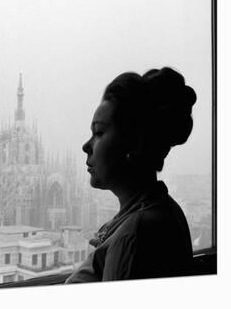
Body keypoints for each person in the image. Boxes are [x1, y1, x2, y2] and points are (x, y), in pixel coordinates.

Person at [65, 67, 197, 283]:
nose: (85, 146)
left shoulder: (134, 235)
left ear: (134, 144)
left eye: (99, 132)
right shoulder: (161, 210)